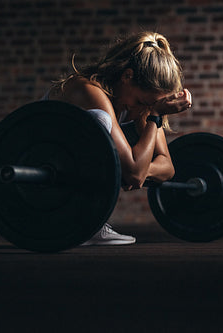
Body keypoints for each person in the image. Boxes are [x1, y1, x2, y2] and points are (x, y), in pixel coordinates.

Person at [42, 31, 193, 245]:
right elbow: (134, 172)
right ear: (127, 76)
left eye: (151, 105)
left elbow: (167, 168)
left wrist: (135, 169)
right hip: (40, 168)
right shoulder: (88, 91)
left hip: (69, 173)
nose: (144, 109)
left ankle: (87, 221)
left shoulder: (139, 102)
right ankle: (83, 220)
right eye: (142, 102)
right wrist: (155, 117)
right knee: (100, 119)